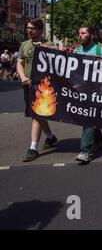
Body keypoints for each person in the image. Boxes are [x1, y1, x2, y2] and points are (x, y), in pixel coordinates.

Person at [18, 19, 58, 162]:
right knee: (37, 114)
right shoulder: (24, 44)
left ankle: (33, 148)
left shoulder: (49, 44)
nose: (29, 30)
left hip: (42, 86)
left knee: (36, 114)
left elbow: (55, 62)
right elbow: (20, 63)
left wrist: (44, 49)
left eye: (32, 28)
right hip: (27, 84)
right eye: (28, 28)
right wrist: (23, 77)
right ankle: (51, 137)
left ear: (40, 30)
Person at [73, 26, 102, 164]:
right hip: (81, 91)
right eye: (79, 33)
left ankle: (85, 151)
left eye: (83, 33)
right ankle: (98, 140)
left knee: (89, 117)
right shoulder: (76, 50)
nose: (80, 35)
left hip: (96, 91)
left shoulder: (101, 51)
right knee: (88, 118)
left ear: (92, 35)